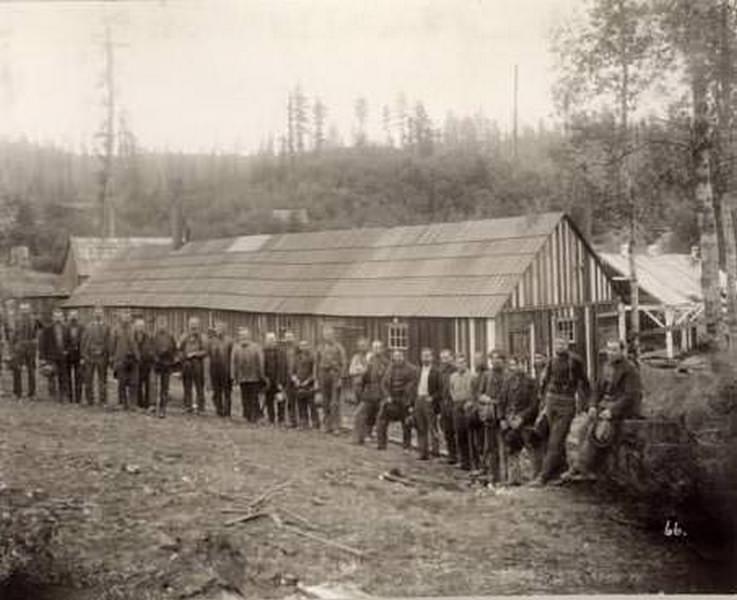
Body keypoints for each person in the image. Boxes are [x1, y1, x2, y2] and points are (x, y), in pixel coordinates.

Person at [562, 339, 642, 482]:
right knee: (583, 428)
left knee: (600, 432)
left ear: (622, 351)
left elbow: (631, 396)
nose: (610, 353)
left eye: (614, 350)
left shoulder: (630, 369)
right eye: (609, 349)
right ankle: (579, 466)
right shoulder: (605, 367)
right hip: (603, 405)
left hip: (622, 409)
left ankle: (586, 468)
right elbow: (596, 390)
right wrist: (592, 405)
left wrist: (612, 411)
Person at [530, 337, 591, 486]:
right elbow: (544, 384)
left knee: (555, 440)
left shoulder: (575, 361)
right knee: (554, 438)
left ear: (567, 345)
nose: (559, 346)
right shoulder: (551, 361)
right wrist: (544, 404)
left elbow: (584, 382)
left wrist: (586, 403)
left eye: (562, 344)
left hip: (567, 402)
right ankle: (560, 474)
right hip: (552, 402)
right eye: (557, 343)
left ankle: (542, 477)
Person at [500, 356, 539, 485]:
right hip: (510, 420)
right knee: (511, 447)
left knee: (530, 447)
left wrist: (522, 417)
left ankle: (534, 476)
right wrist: (503, 418)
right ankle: (514, 478)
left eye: (517, 365)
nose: (514, 368)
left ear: (524, 365)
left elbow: (534, 405)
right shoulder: (507, 382)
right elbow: (502, 402)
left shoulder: (531, 382)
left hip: (525, 421)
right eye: (511, 365)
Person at [376, 349, 418, 451]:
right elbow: (383, 384)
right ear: (393, 357)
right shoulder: (390, 368)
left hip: (404, 400)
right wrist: (387, 396)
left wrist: (406, 399)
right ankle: (382, 444)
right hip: (391, 399)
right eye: (395, 356)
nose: (397, 358)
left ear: (403, 357)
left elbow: (412, 385)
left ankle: (406, 446)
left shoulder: (411, 369)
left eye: (399, 356)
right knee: (381, 420)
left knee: (406, 423)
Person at [476, 349, 507, 484]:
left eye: (498, 358)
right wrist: (487, 400)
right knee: (491, 446)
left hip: (504, 415)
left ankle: (506, 476)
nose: (495, 361)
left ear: (503, 361)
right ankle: (495, 476)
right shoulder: (487, 376)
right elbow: (479, 394)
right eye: (492, 359)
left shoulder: (508, 376)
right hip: (490, 415)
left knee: (505, 446)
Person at [353, 340, 389, 445]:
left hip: (381, 393)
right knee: (359, 414)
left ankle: (380, 441)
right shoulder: (369, 361)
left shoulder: (386, 363)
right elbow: (365, 378)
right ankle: (358, 438)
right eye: (374, 348)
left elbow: (387, 379)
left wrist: (386, 394)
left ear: (382, 349)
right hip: (369, 392)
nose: (376, 350)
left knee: (379, 417)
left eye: (378, 347)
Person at [315, 325, 347, 434]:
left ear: (333, 335)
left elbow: (344, 363)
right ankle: (326, 424)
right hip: (323, 375)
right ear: (323, 336)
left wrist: (341, 378)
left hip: (335, 375)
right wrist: (316, 379)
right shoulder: (320, 347)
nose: (328, 336)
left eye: (330, 334)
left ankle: (336, 426)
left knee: (334, 402)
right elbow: (316, 363)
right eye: (325, 334)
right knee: (325, 402)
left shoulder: (339, 347)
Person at [413, 347, 442, 460]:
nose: (425, 358)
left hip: (429, 401)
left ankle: (435, 452)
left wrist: (433, 398)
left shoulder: (436, 372)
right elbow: (414, 386)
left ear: (432, 358)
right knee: (420, 427)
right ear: (421, 358)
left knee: (432, 427)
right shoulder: (418, 371)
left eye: (428, 356)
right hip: (419, 399)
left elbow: (440, 390)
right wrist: (413, 402)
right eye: (424, 356)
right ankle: (423, 452)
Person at [231, 327, 264, 423]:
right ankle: (246, 415)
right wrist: (233, 376)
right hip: (242, 377)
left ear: (249, 336)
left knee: (254, 397)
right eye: (241, 335)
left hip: (254, 377)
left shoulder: (256, 347)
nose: (243, 337)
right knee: (244, 397)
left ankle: (255, 416)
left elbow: (260, 361)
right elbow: (233, 362)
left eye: (245, 335)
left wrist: (261, 375)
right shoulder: (236, 348)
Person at [449, 354, 476, 471]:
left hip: (468, 405)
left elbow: (475, 392)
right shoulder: (453, 376)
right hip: (457, 405)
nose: (460, 365)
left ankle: (472, 462)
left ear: (466, 364)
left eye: (463, 362)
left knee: (469, 434)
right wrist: (455, 398)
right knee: (459, 434)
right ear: (455, 364)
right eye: (458, 363)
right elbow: (451, 389)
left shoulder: (472, 376)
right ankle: (463, 461)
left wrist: (470, 402)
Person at [81, 305, 110, 405]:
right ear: (93, 313)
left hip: (102, 357)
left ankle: (103, 400)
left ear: (103, 314)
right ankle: (90, 400)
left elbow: (108, 342)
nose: (98, 314)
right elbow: (84, 342)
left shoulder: (106, 327)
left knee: (102, 380)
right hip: (90, 357)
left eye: (100, 312)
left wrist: (104, 351)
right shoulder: (88, 326)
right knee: (88, 379)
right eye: (96, 312)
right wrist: (84, 356)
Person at [111, 310, 139, 410]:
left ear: (130, 318)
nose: (126, 318)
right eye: (124, 316)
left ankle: (133, 404)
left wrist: (137, 356)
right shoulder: (116, 330)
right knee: (121, 382)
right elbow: (112, 345)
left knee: (133, 382)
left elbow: (138, 343)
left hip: (133, 359)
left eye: (128, 316)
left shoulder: (134, 329)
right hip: (120, 359)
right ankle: (122, 403)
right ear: (121, 317)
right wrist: (113, 359)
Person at [179, 317, 207, 414]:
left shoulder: (202, 338)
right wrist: (184, 357)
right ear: (188, 325)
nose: (193, 327)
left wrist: (195, 354)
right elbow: (179, 350)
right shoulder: (184, 337)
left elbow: (205, 351)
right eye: (192, 325)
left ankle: (200, 406)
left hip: (198, 364)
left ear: (198, 326)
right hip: (186, 364)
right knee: (187, 385)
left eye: (195, 325)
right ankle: (187, 405)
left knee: (199, 385)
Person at [10, 303, 38, 400]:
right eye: (23, 309)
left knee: (31, 370)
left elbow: (39, 332)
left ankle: (32, 393)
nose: (25, 311)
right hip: (19, 346)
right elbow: (12, 335)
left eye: (26, 309)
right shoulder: (16, 321)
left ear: (29, 310)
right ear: (20, 310)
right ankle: (17, 392)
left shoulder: (34, 320)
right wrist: (13, 348)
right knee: (17, 369)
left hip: (30, 347)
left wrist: (35, 341)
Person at [152, 316, 177, 418]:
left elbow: (175, 350)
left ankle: (163, 408)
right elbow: (150, 349)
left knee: (165, 387)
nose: (162, 325)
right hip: (156, 364)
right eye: (160, 323)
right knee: (154, 386)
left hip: (166, 364)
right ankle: (154, 406)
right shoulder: (154, 336)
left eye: (164, 323)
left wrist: (171, 357)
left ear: (166, 324)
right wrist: (155, 357)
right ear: (157, 324)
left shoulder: (170, 336)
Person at [469, 351, 490, 472]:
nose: (477, 362)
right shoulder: (474, 376)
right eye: (475, 359)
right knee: (476, 441)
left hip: (484, 411)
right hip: (475, 411)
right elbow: (473, 394)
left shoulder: (487, 375)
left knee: (484, 441)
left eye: (479, 359)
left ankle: (485, 466)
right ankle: (477, 465)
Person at [208, 320, 233, 418]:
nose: (219, 330)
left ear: (225, 330)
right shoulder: (212, 341)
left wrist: (232, 371)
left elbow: (232, 357)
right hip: (215, 369)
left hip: (226, 370)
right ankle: (219, 410)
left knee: (227, 391)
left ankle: (227, 411)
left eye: (221, 328)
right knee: (216, 391)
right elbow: (209, 355)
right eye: (217, 328)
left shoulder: (229, 341)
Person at [263, 331, 288, 425]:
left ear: (275, 340)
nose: (271, 341)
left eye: (272, 339)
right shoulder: (264, 351)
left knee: (280, 399)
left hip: (279, 380)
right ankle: (271, 418)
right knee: (269, 400)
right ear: (266, 341)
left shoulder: (280, 351)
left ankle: (281, 419)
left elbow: (283, 367)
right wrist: (265, 378)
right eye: (269, 339)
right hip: (268, 380)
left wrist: (281, 381)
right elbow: (262, 365)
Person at [438, 349, 457, 464]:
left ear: (451, 358)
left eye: (446, 358)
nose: (444, 360)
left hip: (453, 403)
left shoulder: (455, 370)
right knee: (447, 430)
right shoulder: (440, 371)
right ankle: (451, 454)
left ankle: (458, 455)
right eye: (442, 358)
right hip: (443, 404)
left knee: (456, 430)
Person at [293, 339, 317, 429]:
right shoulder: (296, 358)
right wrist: (295, 380)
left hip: (309, 384)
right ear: (299, 347)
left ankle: (315, 423)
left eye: (305, 345)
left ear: (308, 346)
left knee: (311, 404)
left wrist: (308, 380)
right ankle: (303, 422)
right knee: (300, 404)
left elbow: (314, 372)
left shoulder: (311, 358)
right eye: (301, 345)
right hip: (298, 384)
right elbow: (293, 371)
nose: (303, 347)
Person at [133, 318, 154, 410]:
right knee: (137, 383)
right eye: (138, 326)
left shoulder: (148, 337)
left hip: (147, 364)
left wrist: (150, 355)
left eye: (142, 326)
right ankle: (138, 402)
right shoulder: (132, 337)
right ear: (135, 327)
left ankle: (147, 403)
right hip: (136, 364)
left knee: (148, 384)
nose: (140, 328)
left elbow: (152, 349)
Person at [282, 330, 299, 427]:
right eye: (287, 337)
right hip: (286, 378)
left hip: (296, 377)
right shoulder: (282, 350)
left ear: (293, 338)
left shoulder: (297, 349)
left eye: (290, 337)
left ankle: (298, 420)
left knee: (297, 400)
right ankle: (289, 420)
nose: (289, 339)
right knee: (288, 399)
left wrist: (296, 376)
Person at [348, 337, 370, 405]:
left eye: (364, 345)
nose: (362, 348)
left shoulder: (370, 356)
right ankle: (359, 401)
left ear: (367, 346)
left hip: (370, 380)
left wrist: (361, 369)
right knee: (357, 380)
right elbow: (351, 371)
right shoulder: (356, 357)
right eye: (360, 346)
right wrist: (361, 371)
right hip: (360, 380)